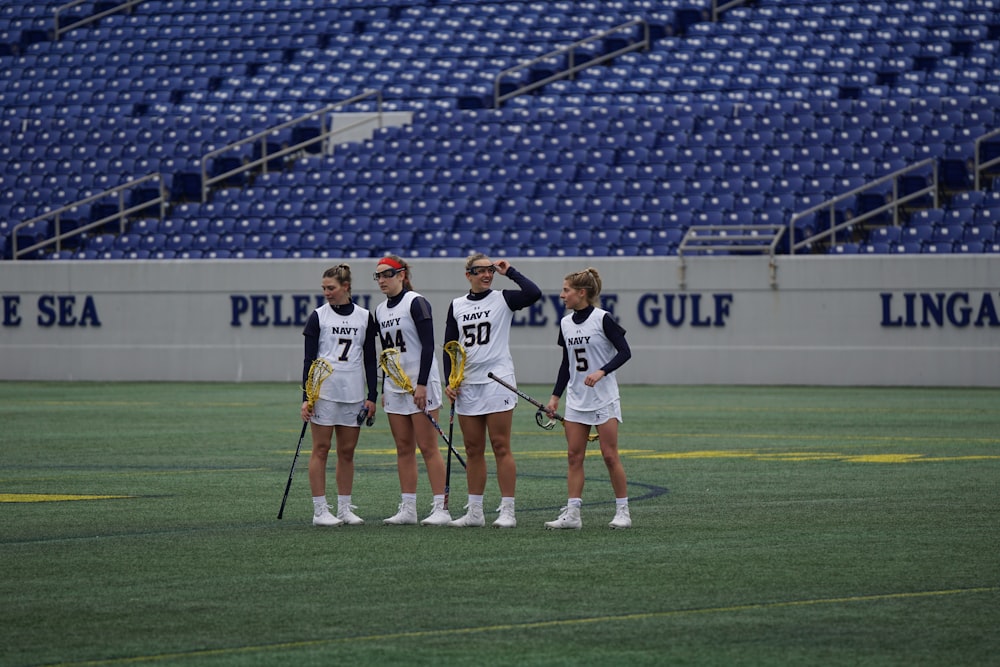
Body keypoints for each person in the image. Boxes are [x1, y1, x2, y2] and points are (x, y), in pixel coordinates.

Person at [443, 254, 542, 528]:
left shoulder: (503, 298)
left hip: (498, 380)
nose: (487, 275)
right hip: (467, 384)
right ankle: (475, 511)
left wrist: (510, 271)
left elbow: (534, 293)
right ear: (468, 275)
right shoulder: (457, 305)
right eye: (481, 271)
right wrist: (449, 380)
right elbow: (450, 345)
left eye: (490, 271)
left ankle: (508, 510)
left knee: (500, 446)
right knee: (473, 449)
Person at [543, 267, 633, 530]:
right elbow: (565, 364)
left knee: (609, 455)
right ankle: (572, 514)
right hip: (576, 400)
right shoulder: (565, 324)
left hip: (604, 398)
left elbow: (625, 352)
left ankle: (623, 511)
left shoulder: (603, 318)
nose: (562, 295)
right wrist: (554, 397)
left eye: (566, 290)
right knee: (574, 456)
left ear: (581, 293)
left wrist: (602, 371)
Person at [374, 255, 452, 526]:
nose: (382, 280)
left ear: (402, 274)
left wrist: (420, 384)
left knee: (428, 447)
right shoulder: (380, 310)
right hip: (395, 386)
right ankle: (408, 507)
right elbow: (386, 351)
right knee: (403, 448)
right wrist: (386, 384)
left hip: (421, 385)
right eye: (378, 276)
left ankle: (441, 508)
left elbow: (429, 345)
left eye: (387, 274)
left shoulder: (416, 302)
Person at [300, 264, 378, 527]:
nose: (326, 293)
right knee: (320, 449)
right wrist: (306, 397)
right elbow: (309, 360)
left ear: (346, 287)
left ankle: (345, 508)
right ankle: (320, 510)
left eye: (331, 288)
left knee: (347, 452)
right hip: (324, 394)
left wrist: (373, 396)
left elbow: (369, 358)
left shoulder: (365, 317)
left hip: (354, 393)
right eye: (323, 288)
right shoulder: (318, 317)